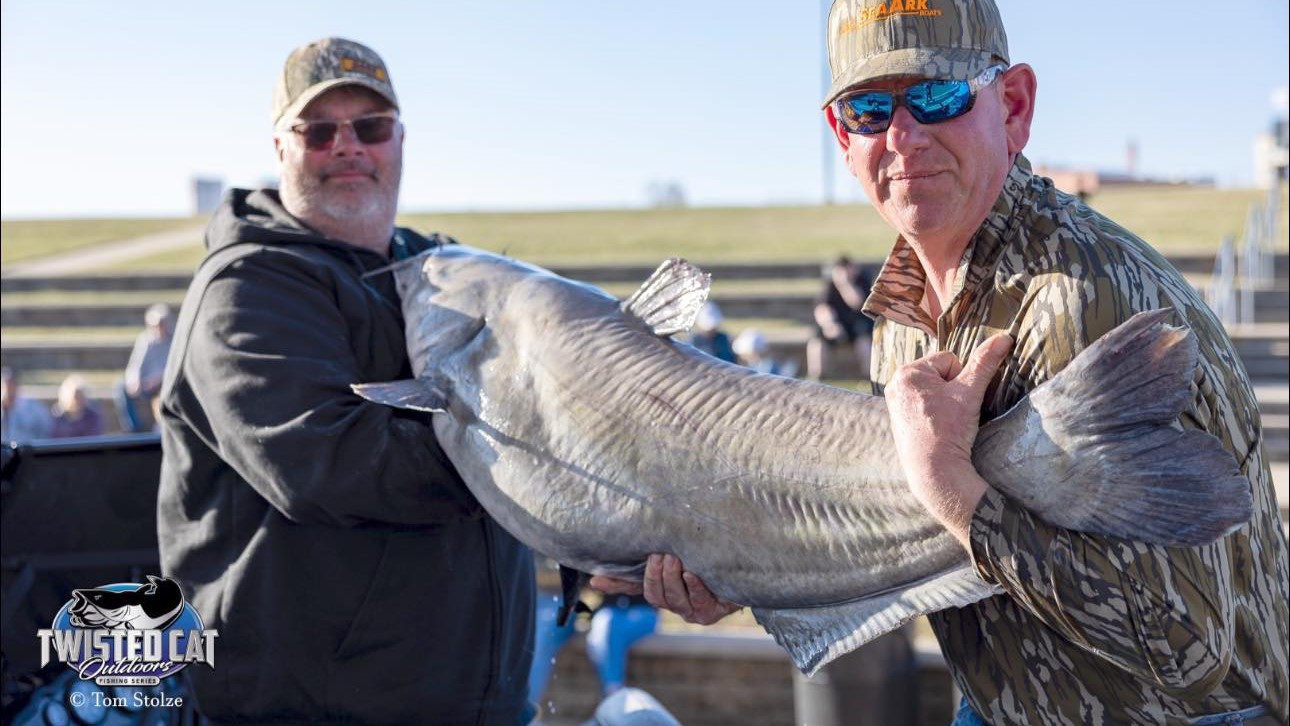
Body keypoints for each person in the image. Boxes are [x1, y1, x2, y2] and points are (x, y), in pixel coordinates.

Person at [817, 1, 1288, 722]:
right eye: (869, 109)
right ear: (841, 137)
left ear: (1012, 106)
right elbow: (912, 546)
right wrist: (737, 568)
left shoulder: (1086, 301)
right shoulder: (899, 321)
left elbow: (1187, 647)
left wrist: (955, 491)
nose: (903, 136)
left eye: (939, 96)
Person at [156, 38, 535, 724]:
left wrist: (607, 540)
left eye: (370, 127)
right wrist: (543, 467)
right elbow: (329, 461)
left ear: (399, 140)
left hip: (478, 704)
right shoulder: (246, 289)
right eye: (318, 129)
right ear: (281, 148)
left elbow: (563, 390)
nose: (348, 146)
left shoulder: (446, 271)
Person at [805, 255, 873, 381]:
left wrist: (844, 284)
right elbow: (822, 308)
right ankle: (817, 378)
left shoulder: (862, 280)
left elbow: (857, 303)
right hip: (835, 325)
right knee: (816, 343)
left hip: (857, 327)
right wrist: (829, 325)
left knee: (864, 343)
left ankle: (868, 379)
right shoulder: (829, 284)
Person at [114, 303, 174, 432]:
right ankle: (133, 428)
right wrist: (134, 381)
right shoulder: (145, 340)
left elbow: (173, 367)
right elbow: (135, 365)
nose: (158, 328)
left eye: (161, 324)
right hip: (145, 385)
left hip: (165, 384)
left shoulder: (174, 341)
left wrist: (158, 379)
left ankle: (163, 428)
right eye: (155, 325)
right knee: (120, 386)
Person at [1, 367, 53, 442]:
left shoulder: (33, 407)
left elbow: (47, 428)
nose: (8, 388)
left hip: (25, 451)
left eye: (11, 384)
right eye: (5, 384)